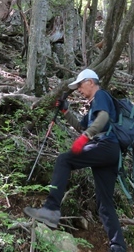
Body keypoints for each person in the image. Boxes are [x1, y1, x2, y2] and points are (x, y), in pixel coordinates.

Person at [24, 68, 127, 252]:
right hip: (109, 152)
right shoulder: (93, 104)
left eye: (80, 85)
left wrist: (86, 137)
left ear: (90, 82)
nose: (79, 89)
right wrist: (65, 111)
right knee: (104, 203)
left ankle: (51, 209)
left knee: (64, 160)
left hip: (104, 146)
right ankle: (118, 246)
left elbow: (102, 118)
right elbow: (81, 125)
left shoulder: (101, 95)